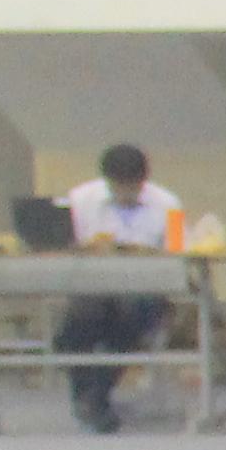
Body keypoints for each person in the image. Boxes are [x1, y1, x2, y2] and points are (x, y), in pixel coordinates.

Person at [54, 139, 183, 433]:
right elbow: (65, 246)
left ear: (143, 182)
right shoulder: (79, 200)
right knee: (81, 321)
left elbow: (180, 252)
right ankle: (91, 397)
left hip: (146, 291)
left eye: (132, 188)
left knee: (129, 321)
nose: (125, 194)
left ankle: (93, 398)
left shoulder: (169, 204)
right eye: (118, 187)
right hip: (93, 288)